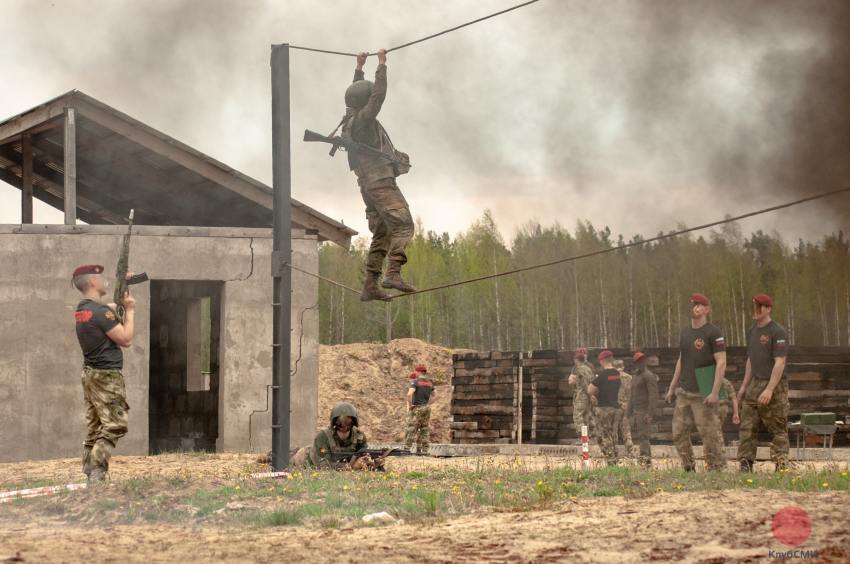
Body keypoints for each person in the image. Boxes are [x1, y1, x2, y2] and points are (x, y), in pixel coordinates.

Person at [343, 48, 415, 301]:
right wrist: (381, 64)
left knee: (383, 232)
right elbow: (377, 96)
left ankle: (370, 285)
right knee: (404, 226)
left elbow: (359, 93)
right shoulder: (364, 120)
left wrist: (359, 67)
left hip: (368, 188)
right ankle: (393, 274)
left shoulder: (351, 118)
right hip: (381, 184)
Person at [72, 264, 136, 483]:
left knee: (95, 425)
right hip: (107, 375)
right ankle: (98, 470)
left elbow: (109, 309)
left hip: (90, 374)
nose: (104, 280)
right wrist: (130, 311)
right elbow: (126, 339)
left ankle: (90, 472)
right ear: (92, 282)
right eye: (100, 277)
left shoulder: (83, 310)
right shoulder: (101, 313)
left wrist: (123, 285)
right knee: (116, 424)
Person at [664, 293, 727, 472]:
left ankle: (716, 470)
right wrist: (671, 388)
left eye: (700, 305)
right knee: (678, 434)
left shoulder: (713, 332)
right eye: (694, 304)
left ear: (707, 309)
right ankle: (688, 468)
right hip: (684, 390)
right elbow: (681, 360)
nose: (696, 308)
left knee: (710, 434)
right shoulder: (685, 332)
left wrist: (715, 392)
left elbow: (721, 362)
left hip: (704, 390)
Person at [737, 293, 790, 472]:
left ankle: (781, 465)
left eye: (759, 306)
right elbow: (751, 360)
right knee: (747, 425)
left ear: (768, 309)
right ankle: (745, 463)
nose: (755, 310)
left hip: (775, 385)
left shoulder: (777, 331)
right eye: (754, 306)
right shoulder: (752, 331)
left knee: (777, 427)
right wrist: (744, 386)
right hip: (755, 383)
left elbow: (780, 361)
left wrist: (769, 389)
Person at [291, 403, 376, 470]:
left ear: (353, 423)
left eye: (348, 424)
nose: (344, 428)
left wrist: (372, 463)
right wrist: (351, 466)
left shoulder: (359, 437)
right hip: (303, 460)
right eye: (340, 424)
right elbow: (324, 465)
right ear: (334, 424)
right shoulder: (323, 437)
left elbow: (366, 456)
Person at [587, 350, 621, 466]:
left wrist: (594, 394)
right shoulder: (617, 374)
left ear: (601, 361)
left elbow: (590, 389)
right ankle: (615, 458)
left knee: (604, 435)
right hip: (615, 408)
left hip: (603, 408)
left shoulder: (602, 375)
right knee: (612, 435)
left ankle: (611, 462)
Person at [628, 351, 659, 468]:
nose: (639, 363)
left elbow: (653, 395)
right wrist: (628, 413)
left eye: (641, 361)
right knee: (641, 436)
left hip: (644, 411)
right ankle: (646, 461)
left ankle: (644, 462)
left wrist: (650, 413)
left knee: (643, 437)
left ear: (644, 361)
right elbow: (632, 396)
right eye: (637, 362)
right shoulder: (635, 377)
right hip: (636, 411)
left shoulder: (649, 376)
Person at [404, 365, 436, 453]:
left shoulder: (415, 382)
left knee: (411, 428)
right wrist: (428, 404)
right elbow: (435, 396)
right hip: (426, 408)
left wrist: (410, 405)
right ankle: (425, 450)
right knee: (424, 429)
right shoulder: (430, 382)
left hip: (417, 407)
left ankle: (407, 449)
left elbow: (409, 394)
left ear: (419, 372)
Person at [568, 348, 595, 441]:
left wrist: (589, 394)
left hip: (581, 396)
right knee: (586, 417)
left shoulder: (579, 369)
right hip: (587, 396)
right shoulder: (588, 368)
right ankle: (587, 438)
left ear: (576, 360)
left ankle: (582, 438)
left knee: (577, 416)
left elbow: (584, 383)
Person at [612, 359, 634, 454]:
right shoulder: (630, 378)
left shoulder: (612, 377)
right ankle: (630, 450)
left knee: (613, 427)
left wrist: (620, 403)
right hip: (627, 406)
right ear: (623, 367)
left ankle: (613, 450)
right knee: (626, 428)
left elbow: (611, 393)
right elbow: (633, 393)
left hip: (616, 406)